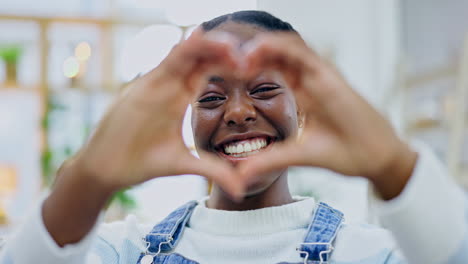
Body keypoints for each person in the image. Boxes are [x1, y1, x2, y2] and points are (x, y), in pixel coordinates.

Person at [1, 10, 467, 264]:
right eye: (211, 99)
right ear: (186, 115)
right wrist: (88, 180)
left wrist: (393, 166)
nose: (239, 112)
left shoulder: (371, 255)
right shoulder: (122, 252)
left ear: (302, 106)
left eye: (264, 90)